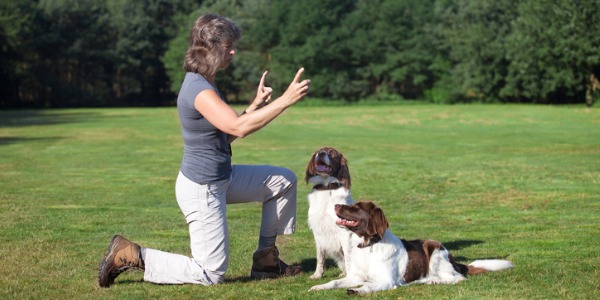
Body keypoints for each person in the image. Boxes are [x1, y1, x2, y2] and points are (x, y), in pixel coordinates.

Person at [98, 13, 311, 287]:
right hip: (203, 189)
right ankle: (130, 254)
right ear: (209, 48)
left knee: (282, 181)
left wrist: (254, 106)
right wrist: (285, 100)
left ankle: (266, 262)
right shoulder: (198, 88)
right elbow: (238, 128)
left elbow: (224, 135)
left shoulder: (207, 81)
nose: (233, 51)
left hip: (222, 179)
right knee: (211, 273)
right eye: (227, 46)